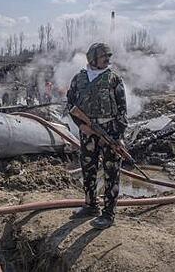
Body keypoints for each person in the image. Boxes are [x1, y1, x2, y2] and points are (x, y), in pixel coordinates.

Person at [67, 42, 127, 229]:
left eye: (108, 57)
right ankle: (91, 205)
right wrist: (81, 125)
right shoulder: (79, 79)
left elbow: (122, 109)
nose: (107, 60)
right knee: (88, 168)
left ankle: (108, 213)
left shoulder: (113, 79)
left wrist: (117, 135)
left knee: (111, 172)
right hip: (87, 132)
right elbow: (71, 105)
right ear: (93, 58)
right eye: (104, 57)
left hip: (109, 131)